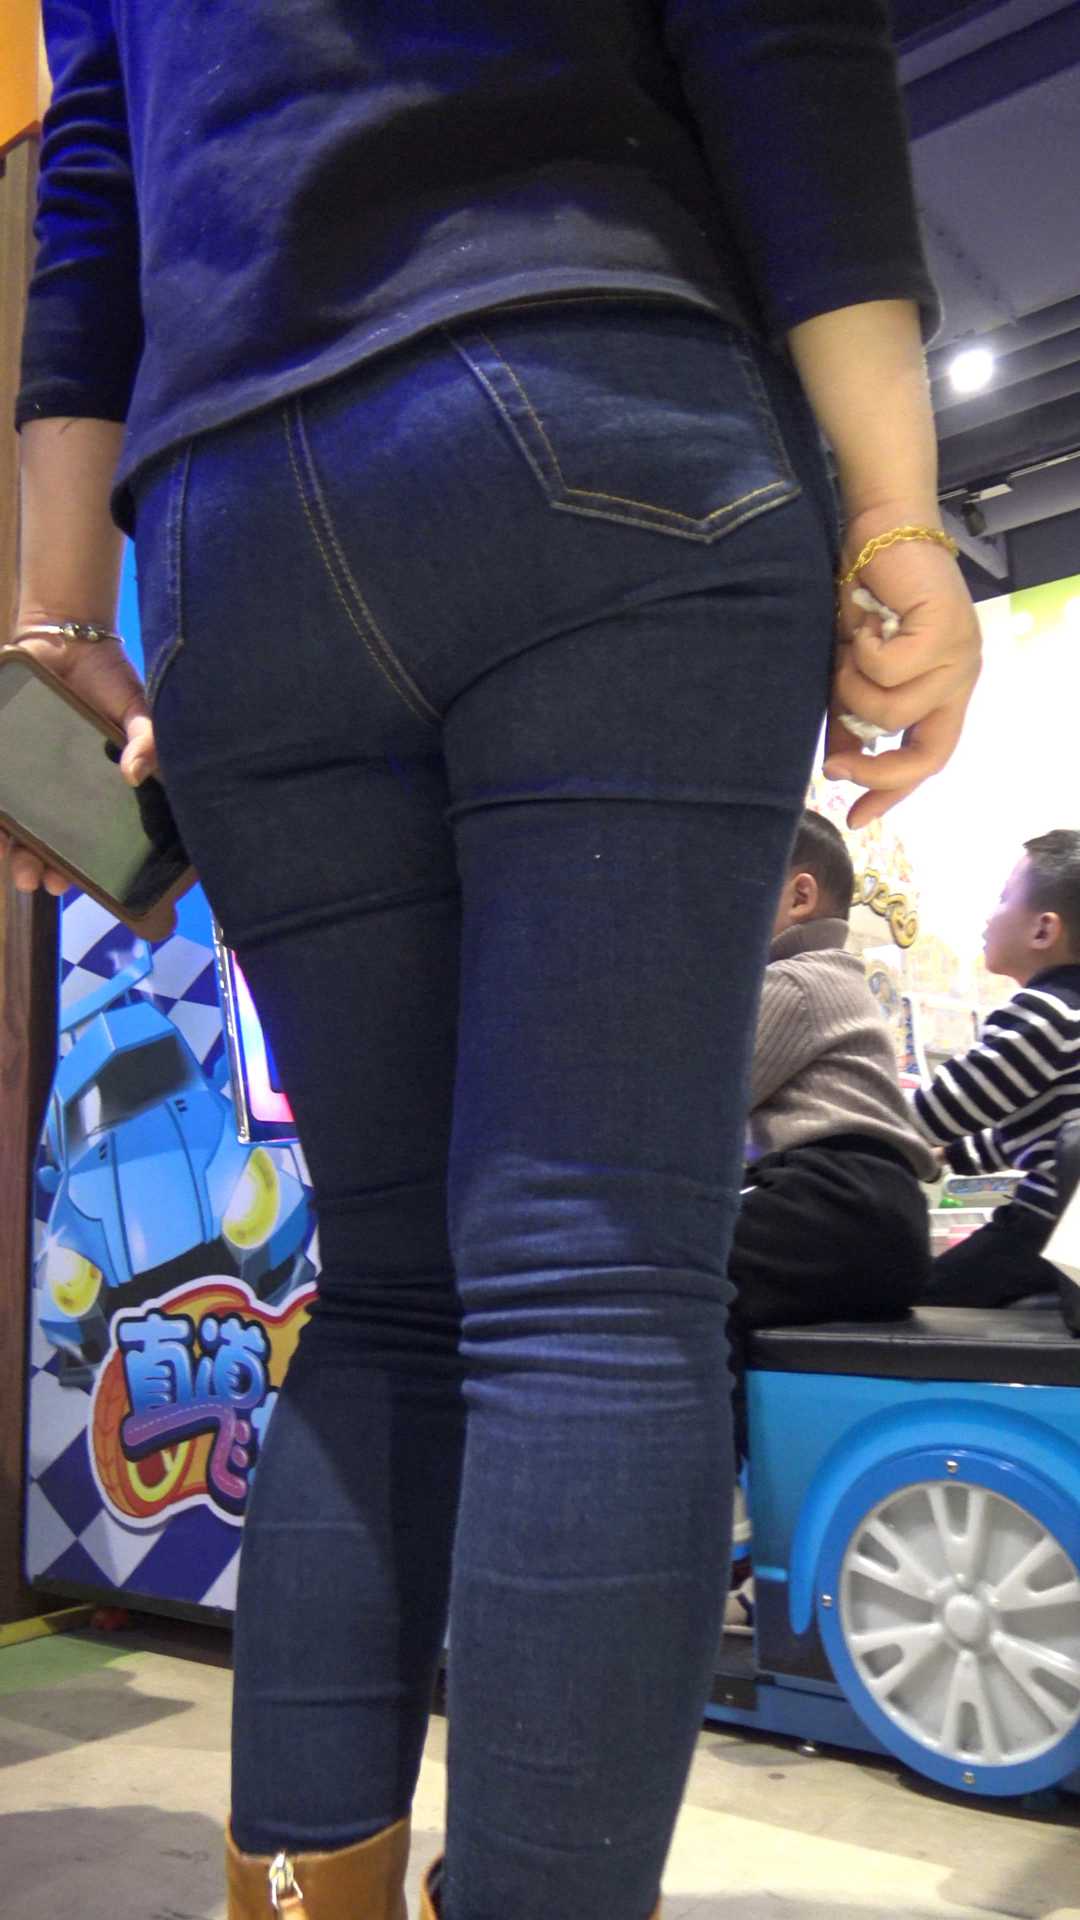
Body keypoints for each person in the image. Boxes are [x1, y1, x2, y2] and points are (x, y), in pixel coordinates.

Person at [6, 5, 981, 1917]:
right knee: (594, 1282)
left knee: (385, 1291)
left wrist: (49, 626)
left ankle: (302, 1897)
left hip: (229, 538)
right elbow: (781, 35)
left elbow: (91, 188)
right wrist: (895, 508)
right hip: (599, 388)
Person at [722, 809, 937, 1631]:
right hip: (873, 1209)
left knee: (682, 1284)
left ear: (799, 895)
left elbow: (702, 1096)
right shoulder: (839, 982)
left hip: (836, 1194)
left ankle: (717, 1523)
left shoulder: (797, 984)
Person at [917, 832, 1080, 1309]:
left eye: (1004, 898)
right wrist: (948, 1155)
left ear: (1043, 931)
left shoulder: (1043, 1012)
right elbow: (1029, 1132)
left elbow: (942, 1109)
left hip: (1047, 1227)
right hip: (1064, 1231)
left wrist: (854, 1124)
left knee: (922, 1299)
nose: (989, 916)